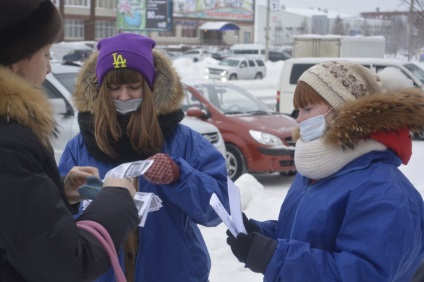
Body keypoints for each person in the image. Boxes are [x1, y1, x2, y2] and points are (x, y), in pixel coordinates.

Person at [226, 60, 424, 281]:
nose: (298, 118)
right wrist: (260, 235)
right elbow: (308, 233)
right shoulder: (316, 170)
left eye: (307, 108)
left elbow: (363, 273)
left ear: (342, 112)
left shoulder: (385, 192)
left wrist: (274, 257)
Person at [58, 33, 229, 282]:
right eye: (114, 88)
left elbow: (219, 209)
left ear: (150, 87)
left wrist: (179, 176)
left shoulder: (183, 141)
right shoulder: (80, 146)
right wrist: (70, 194)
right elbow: (56, 223)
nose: (124, 97)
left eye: (133, 87)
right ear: (101, 89)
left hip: (174, 273)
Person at [0, 1, 141, 281]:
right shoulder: (9, 144)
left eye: (134, 87)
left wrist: (58, 191)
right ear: (17, 62)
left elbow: (18, 220)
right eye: (45, 54)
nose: (50, 68)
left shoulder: (12, 135)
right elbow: (68, 262)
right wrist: (117, 195)